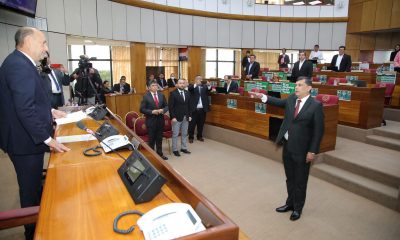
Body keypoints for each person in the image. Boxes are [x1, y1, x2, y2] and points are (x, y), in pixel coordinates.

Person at [0, 27, 70, 240]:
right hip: (23, 142)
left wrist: (50, 110)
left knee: (34, 188)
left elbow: (26, 100)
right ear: (28, 42)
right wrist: (48, 139)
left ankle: (40, 221)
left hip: (26, 138)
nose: (46, 49)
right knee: (29, 192)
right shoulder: (19, 66)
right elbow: (24, 109)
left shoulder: (20, 63)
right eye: (44, 43)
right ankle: (33, 232)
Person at [250, 76, 324, 221]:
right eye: (296, 85)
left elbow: (318, 131)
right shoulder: (291, 99)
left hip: (303, 150)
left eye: (300, 85)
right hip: (288, 146)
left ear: (309, 88)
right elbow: (278, 102)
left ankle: (298, 208)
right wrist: (263, 97)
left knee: (300, 181)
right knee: (290, 178)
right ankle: (289, 204)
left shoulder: (315, 105)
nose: (296, 88)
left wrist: (312, 151)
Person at [140, 80, 169, 160]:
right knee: (151, 140)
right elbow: (142, 109)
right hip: (151, 121)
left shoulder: (161, 95)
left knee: (159, 139)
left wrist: (163, 110)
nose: (155, 87)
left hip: (160, 120)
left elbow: (166, 106)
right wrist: (152, 112)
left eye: (156, 85)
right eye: (153, 85)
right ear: (149, 88)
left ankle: (160, 154)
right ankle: (151, 156)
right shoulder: (146, 96)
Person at [168, 79, 192, 157]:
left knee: (184, 133)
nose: (182, 84)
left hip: (186, 117)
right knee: (175, 134)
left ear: (185, 84)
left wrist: (190, 115)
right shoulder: (173, 93)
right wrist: (173, 117)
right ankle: (175, 149)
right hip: (176, 117)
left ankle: (183, 148)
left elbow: (189, 105)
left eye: (183, 83)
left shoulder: (187, 93)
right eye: (180, 83)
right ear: (177, 84)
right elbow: (171, 107)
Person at [188, 76, 211, 143]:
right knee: (192, 124)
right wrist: (196, 84)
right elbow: (189, 89)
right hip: (194, 109)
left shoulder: (204, 86)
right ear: (195, 80)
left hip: (202, 109)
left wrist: (209, 85)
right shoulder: (192, 86)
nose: (200, 80)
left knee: (201, 124)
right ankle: (191, 137)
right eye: (198, 79)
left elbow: (209, 89)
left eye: (201, 79)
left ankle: (199, 136)